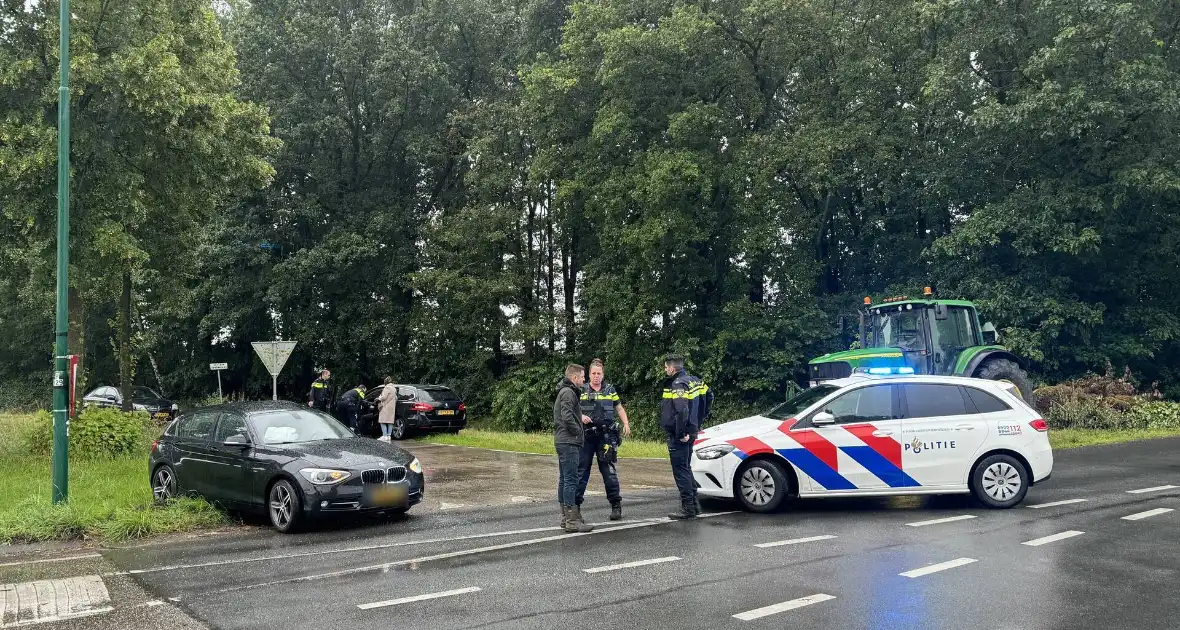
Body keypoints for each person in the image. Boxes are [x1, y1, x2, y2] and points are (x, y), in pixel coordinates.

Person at [576, 358, 632, 521]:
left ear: (603, 374)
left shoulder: (610, 389)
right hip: (586, 436)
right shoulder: (582, 389)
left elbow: (619, 407)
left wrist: (626, 423)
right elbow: (571, 409)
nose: (596, 376)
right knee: (581, 472)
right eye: (593, 373)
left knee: (609, 472)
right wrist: (581, 416)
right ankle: (576, 509)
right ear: (588, 374)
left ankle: (616, 506)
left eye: (599, 373)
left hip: (605, 437)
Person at [659, 354, 712, 520]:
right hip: (691, 430)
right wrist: (699, 420)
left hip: (680, 435)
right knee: (686, 468)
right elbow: (709, 396)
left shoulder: (678, 384)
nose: (665, 369)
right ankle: (694, 505)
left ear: (672, 368)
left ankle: (688, 508)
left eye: (666, 367)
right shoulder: (695, 380)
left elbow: (682, 410)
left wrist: (681, 432)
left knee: (680, 471)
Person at [554, 363, 593, 533]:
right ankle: (571, 520)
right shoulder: (569, 393)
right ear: (574, 377)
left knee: (564, 479)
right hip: (568, 441)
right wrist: (578, 432)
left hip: (563, 440)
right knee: (570, 480)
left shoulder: (565, 391)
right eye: (583, 377)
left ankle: (566, 517)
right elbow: (567, 416)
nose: (584, 380)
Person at [375, 377, 398, 441]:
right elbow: (396, 398)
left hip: (385, 407)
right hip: (392, 407)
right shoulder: (394, 388)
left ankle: (384, 435)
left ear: (385, 382)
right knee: (390, 422)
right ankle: (389, 436)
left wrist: (378, 398)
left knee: (382, 421)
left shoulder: (387, 388)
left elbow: (384, 397)